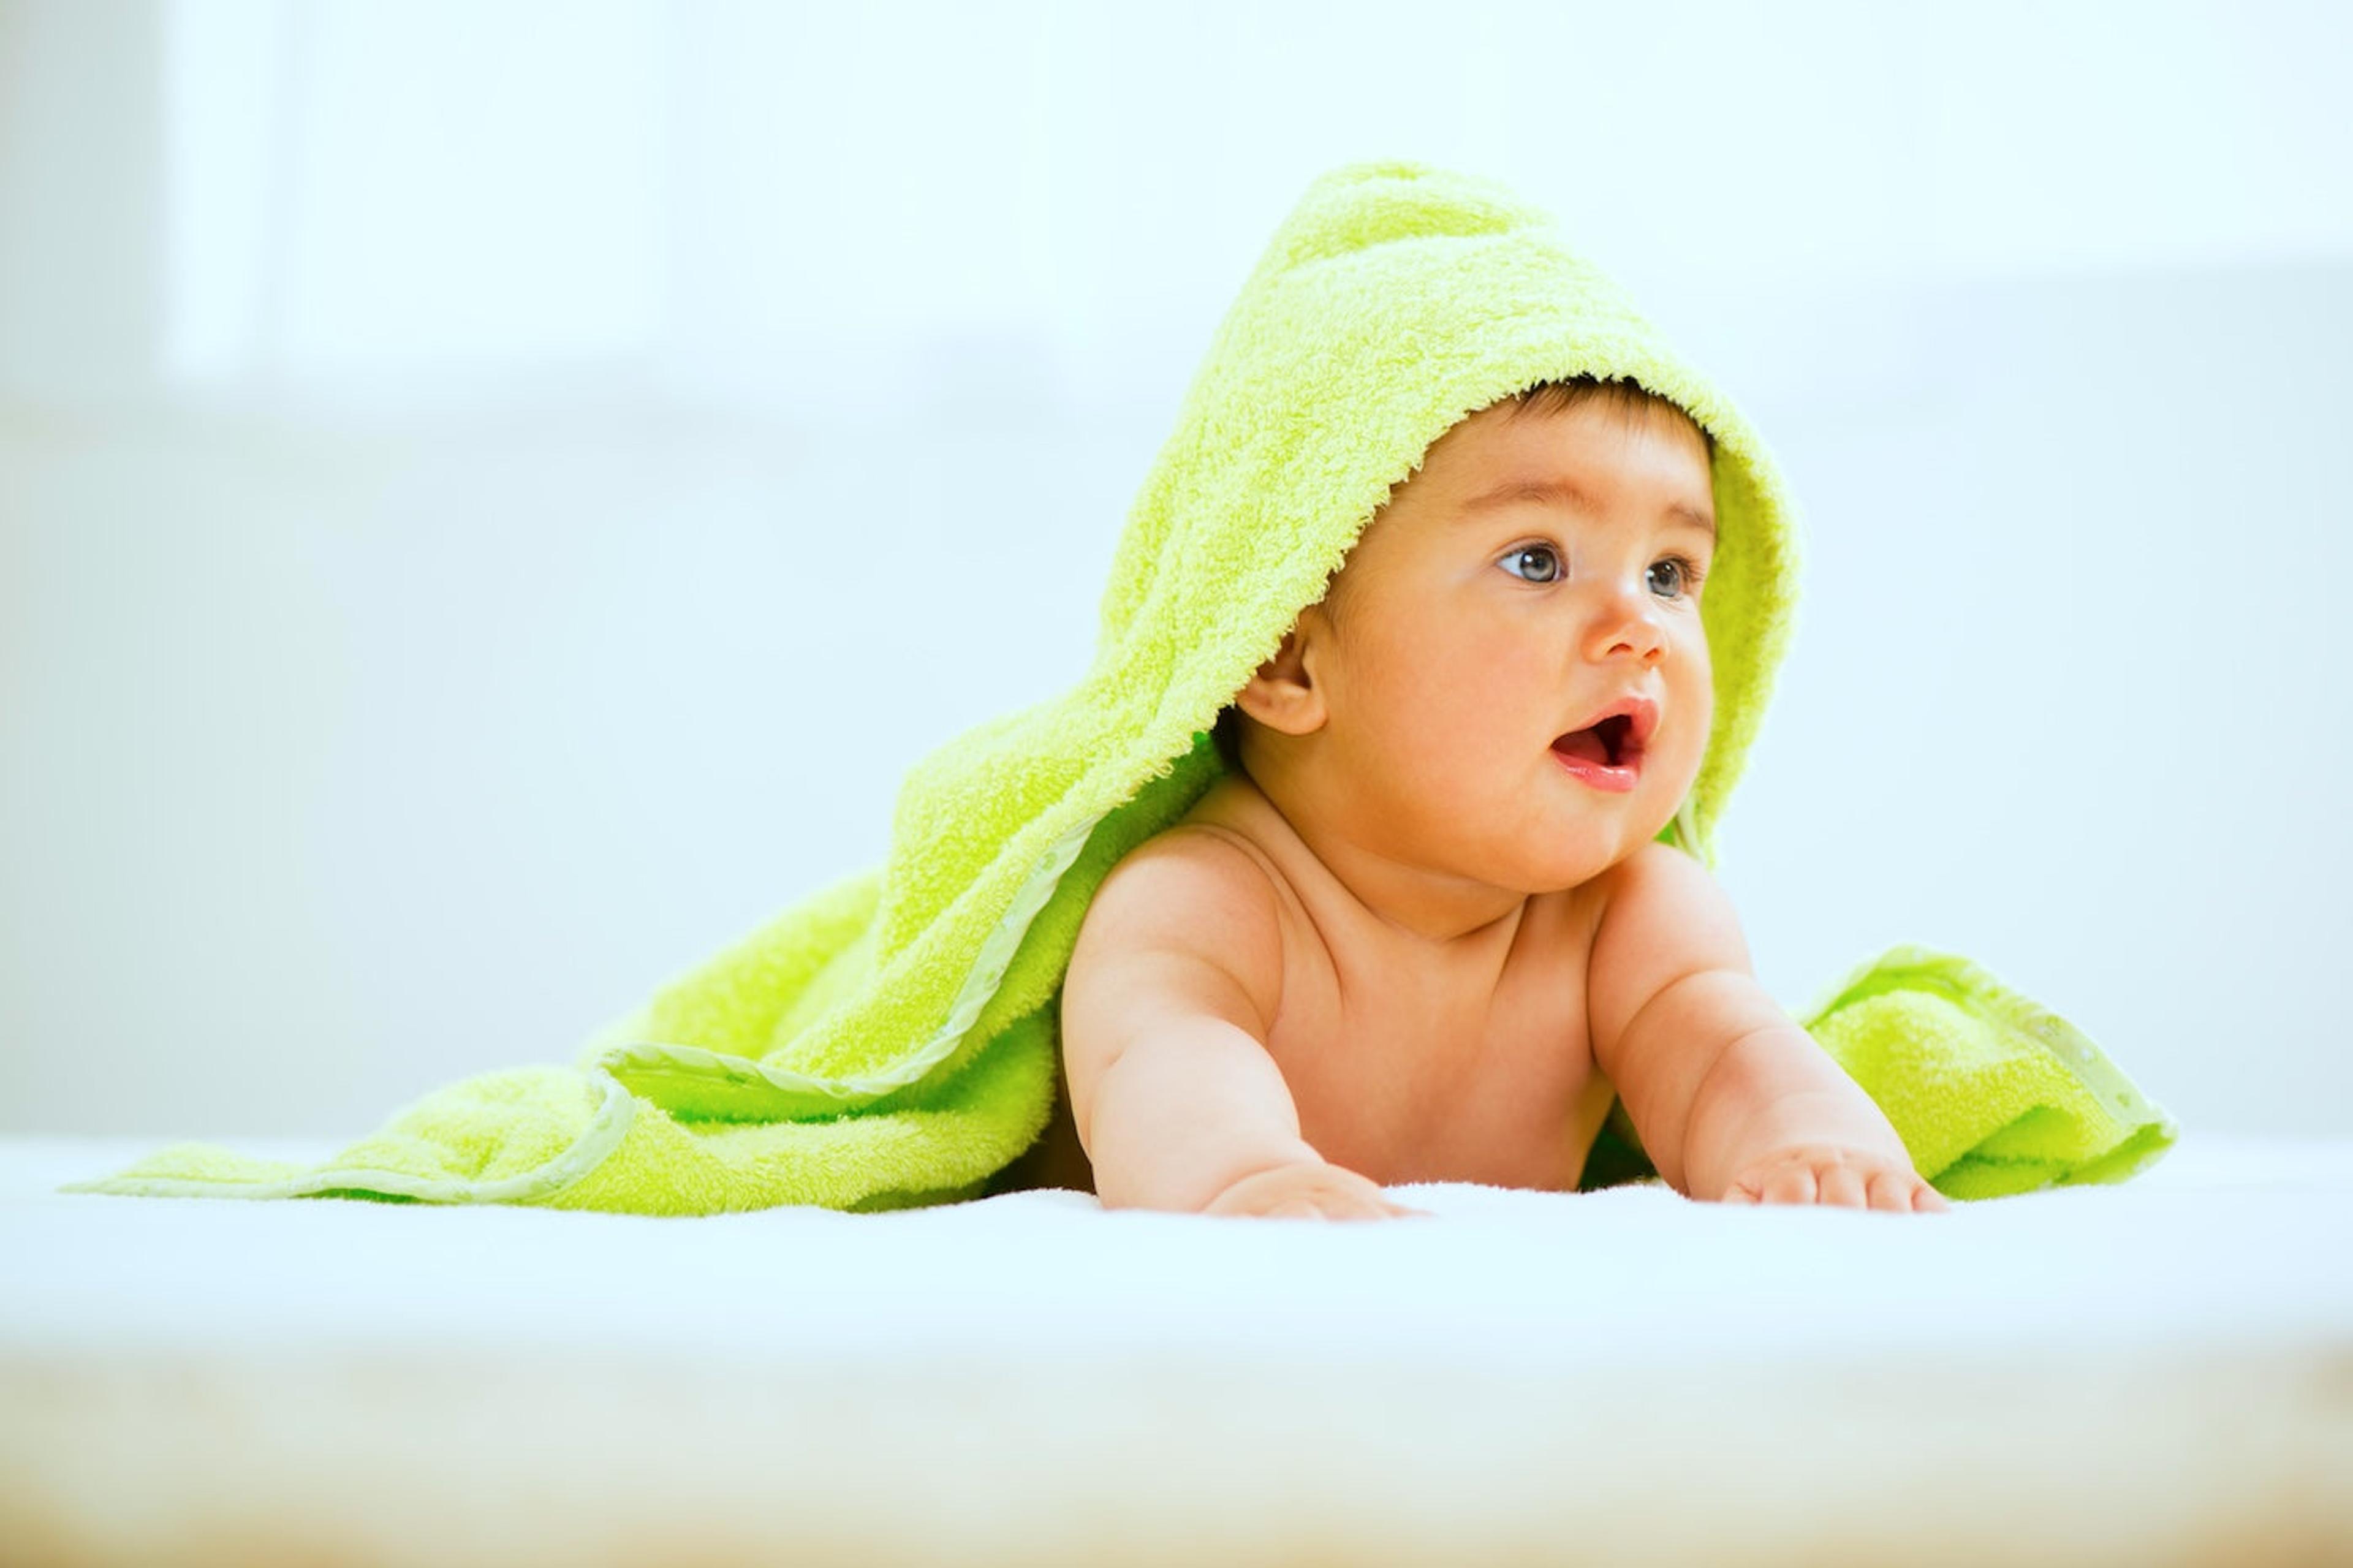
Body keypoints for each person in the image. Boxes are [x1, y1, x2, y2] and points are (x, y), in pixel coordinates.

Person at [998, 373, 1949, 1222]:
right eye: (1537, 560)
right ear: (1288, 656)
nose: (1641, 629)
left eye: (1668, 574)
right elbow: (1159, 1062)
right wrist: (1242, 1179)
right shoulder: (1206, 900)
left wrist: (1811, 1148)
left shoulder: (1629, 917)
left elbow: (1725, 1056)